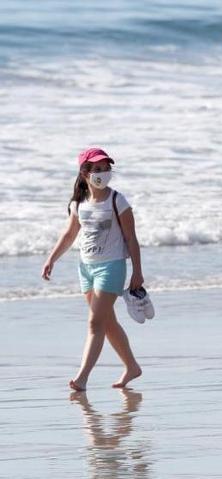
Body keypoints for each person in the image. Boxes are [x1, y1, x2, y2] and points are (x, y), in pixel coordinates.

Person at [41, 148, 144, 391]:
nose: (103, 173)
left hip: (112, 267)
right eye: (97, 169)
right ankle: (132, 367)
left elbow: (131, 238)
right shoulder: (79, 203)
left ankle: (82, 377)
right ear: (85, 172)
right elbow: (69, 234)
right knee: (107, 323)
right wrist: (51, 259)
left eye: (106, 168)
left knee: (94, 323)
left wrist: (137, 272)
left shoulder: (118, 201)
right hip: (86, 268)